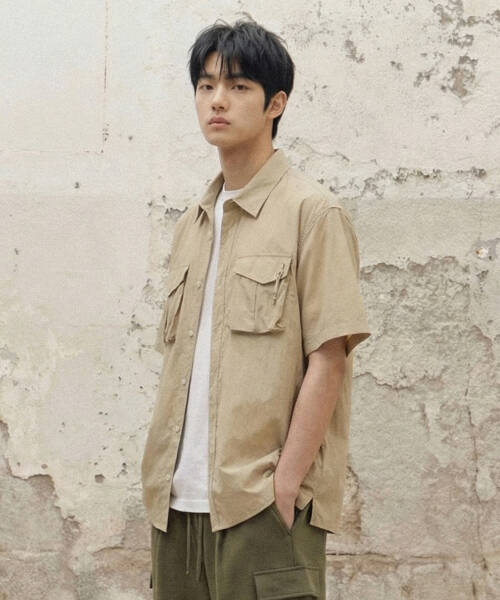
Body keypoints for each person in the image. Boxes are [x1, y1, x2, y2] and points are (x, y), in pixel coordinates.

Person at [141, 17, 371, 600]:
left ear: (276, 103)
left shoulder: (313, 214)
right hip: (176, 508)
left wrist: (284, 485)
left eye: (238, 86)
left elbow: (329, 360)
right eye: (206, 85)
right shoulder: (191, 224)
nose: (217, 100)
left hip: (260, 508)